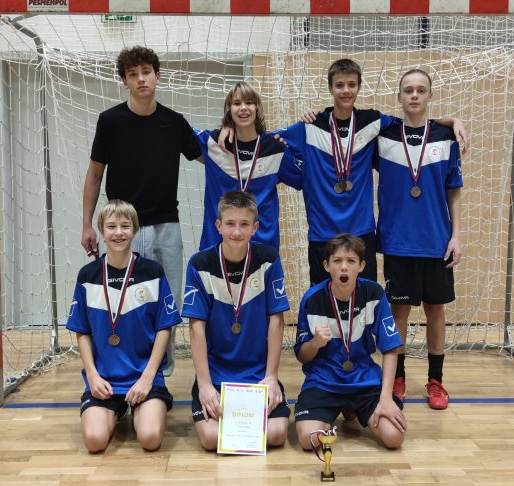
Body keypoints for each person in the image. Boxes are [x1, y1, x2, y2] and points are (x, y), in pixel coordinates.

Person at [226, 58, 467, 285]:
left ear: (359, 87)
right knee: (324, 304)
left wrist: (452, 121)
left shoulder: (373, 121)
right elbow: (261, 139)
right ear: (330, 88)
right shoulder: (310, 126)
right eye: (339, 85)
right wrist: (229, 127)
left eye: (351, 85)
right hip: (322, 234)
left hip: (362, 233)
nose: (345, 90)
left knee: (364, 303)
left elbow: (414, 123)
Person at [81, 46, 202, 376]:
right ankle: (121, 368)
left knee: (167, 302)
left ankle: (160, 374)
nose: (141, 79)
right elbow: (95, 174)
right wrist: (87, 224)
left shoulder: (174, 122)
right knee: (123, 302)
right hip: (123, 229)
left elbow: (211, 158)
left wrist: (237, 136)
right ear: (125, 81)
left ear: (157, 76)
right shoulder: (110, 121)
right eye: (133, 74)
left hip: (166, 227)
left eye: (146, 72)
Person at [376, 69, 463, 409]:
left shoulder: (445, 137)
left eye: (421, 90)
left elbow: (453, 191)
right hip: (397, 241)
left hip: (437, 241)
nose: (414, 95)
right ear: (399, 96)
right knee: (398, 312)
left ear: (430, 95)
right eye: (408, 90)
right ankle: (397, 377)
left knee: (435, 311)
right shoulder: (383, 135)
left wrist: (456, 236)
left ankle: (436, 381)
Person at [67, 200, 181, 453]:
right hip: (105, 379)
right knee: (94, 442)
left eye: (125, 226)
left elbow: (165, 327)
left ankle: (146, 404)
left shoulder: (153, 272)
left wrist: (148, 377)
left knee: (150, 439)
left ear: (135, 230)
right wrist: (93, 376)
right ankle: (116, 408)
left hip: (144, 376)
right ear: (101, 231)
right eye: (111, 226)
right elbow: (81, 330)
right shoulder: (88, 276)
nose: (118, 232)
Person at [182, 190, 292, 450]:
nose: (236, 232)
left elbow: (276, 320)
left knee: (277, 434)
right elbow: (196, 327)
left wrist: (271, 376)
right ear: (218, 225)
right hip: (217, 374)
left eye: (244, 224)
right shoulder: (199, 264)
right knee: (210, 439)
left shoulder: (268, 259)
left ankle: (244, 421)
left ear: (255, 227)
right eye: (230, 223)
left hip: (257, 373)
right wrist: (205, 385)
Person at [292, 233, 405, 450]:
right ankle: (337, 411)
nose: (344, 267)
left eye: (351, 261)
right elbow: (302, 356)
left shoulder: (373, 293)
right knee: (309, 440)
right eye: (337, 261)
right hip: (324, 382)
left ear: (361, 266)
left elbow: (391, 348)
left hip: (363, 381)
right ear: (326, 266)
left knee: (394, 438)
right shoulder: (312, 299)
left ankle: (352, 407)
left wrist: (386, 399)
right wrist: (315, 343)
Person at [193, 82, 302, 251]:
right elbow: (176, 127)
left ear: (257, 108)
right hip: (217, 246)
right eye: (237, 103)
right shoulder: (213, 143)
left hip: (262, 249)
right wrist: (226, 125)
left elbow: (303, 178)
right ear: (229, 110)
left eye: (249, 102)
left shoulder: (275, 148)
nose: (243, 108)